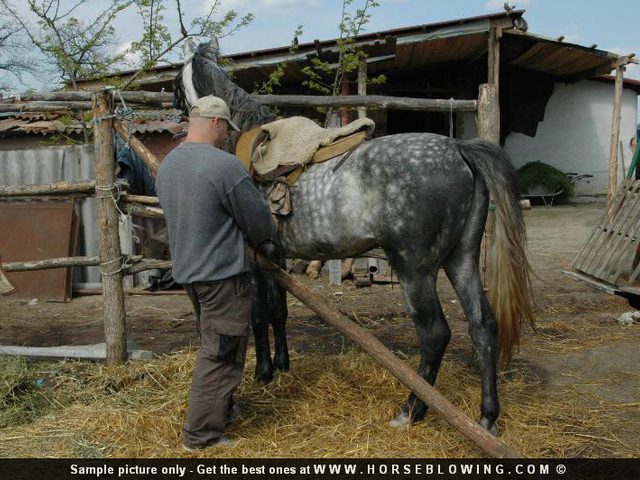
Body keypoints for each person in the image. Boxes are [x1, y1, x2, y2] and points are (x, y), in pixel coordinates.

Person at [155, 95, 277, 451]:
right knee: (221, 354)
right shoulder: (224, 166)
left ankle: (223, 409)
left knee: (218, 344)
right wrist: (269, 234)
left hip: (191, 274)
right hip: (221, 277)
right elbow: (257, 223)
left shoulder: (169, 165)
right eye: (227, 130)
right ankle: (201, 436)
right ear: (216, 123)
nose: (227, 137)